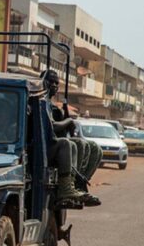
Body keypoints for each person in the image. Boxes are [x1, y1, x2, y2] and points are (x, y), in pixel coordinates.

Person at [43, 71, 102, 205]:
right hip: (41, 145)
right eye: (49, 81)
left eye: (56, 83)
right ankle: (66, 187)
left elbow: (61, 128)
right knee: (69, 144)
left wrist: (67, 122)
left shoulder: (51, 104)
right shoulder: (39, 100)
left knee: (93, 148)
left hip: (50, 142)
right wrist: (68, 121)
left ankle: (78, 183)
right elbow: (52, 126)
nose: (53, 85)